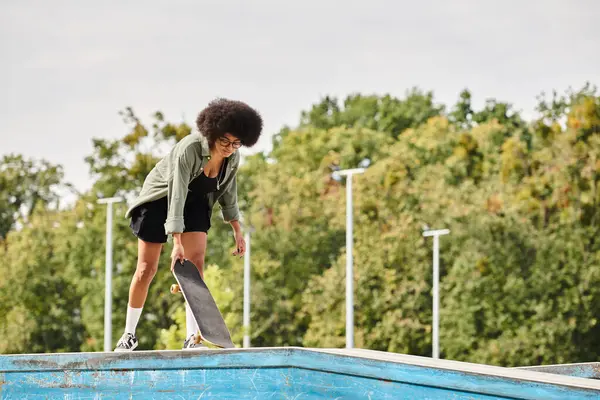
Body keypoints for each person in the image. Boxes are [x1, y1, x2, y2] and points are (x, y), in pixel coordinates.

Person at [114, 98, 263, 351]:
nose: (229, 148)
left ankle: (192, 339)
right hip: (161, 199)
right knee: (146, 269)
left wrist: (237, 231)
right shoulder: (189, 149)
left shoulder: (233, 158)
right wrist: (177, 242)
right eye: (225, 141)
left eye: (236, 144)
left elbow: (229, 194)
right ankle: (129, 334)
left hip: (195, 202)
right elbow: (176, 194)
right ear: (213, 132)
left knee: (194, 268)